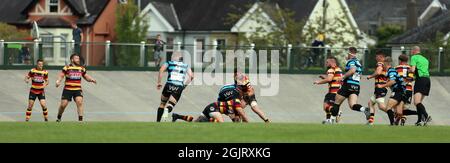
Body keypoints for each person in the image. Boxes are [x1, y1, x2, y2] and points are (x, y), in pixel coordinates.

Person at [172, 75, 250, 123]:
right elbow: (241, 114)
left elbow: (237, 116)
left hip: (212, 107)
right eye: (245, 104)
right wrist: (247, 123)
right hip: (214, 108)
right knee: (221, 124)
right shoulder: (236, 101)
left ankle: (177, 116)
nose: (245, 106)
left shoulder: (235, 101)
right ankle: (207, 121)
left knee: (195, 122)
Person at [329, 47, 370, 124]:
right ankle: (364, 109)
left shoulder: (351, 61)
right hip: (356, 86)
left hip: (348, 84)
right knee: (352, 105)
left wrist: (342, 77)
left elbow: (353, 70)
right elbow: (360, 75)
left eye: (347, 53)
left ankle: (331, 121)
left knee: (336, 102)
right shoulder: (359, 63)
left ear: (350, 53)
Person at [55, 54, 96, 122]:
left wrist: (91, 79)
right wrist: (58, 81)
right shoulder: (67, 67)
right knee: (63, 105)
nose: (78, 60)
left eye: (78, 58)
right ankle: (59, 117)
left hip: (77, 89)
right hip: (68, 89)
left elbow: (86, 76)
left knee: (79, 102)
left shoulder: (81, 68)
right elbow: (61, 76)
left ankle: (80, 120)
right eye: (76, 58)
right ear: (72, 60)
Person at [156, 51, 194, 122]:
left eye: (173, 56)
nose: (171, 57)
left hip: (169, 84)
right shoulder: (185, 65)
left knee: (162, 103)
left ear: (176, 57)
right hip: (179, 86)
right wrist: (185, 85)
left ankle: (158, 121)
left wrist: (159, 82)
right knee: (171, 104)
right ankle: (167, 110)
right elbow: (191, 76)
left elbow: (161, 70)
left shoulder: (169, 63)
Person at [376, 57, 406, 125]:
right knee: (398, 112)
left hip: (398, 91)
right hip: (402, 91)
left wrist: (382, 86)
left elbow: (392, 81)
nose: (383, 65)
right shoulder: (391, 71)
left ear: (387, 63)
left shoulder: (391, 70)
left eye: (384, 63)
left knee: (388, 107)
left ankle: (392, 123)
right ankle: (396, 122)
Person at [313, 56, 343, 124]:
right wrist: (324, 77)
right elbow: (333, 78)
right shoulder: (339, 69)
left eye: (327, 62)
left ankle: (337, 112)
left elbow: (329, 79)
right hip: (339, 91)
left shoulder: (331, 70)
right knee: (328, 106)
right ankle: (328, 120)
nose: (326, 63)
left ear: (332, 62)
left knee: (326, 106)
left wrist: (319, 82)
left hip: (333, 92)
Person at [409, 46, 432, 126]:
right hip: (427, 80)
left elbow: (412, 70)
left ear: (415, 51)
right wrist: (413, 79)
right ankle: (419, 121)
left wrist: (407, 70)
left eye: (411, 50)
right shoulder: (425, 59)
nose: (411, 51)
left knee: (416, 102)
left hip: (420, 81)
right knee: (418, 103)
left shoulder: (414, 57)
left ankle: (426, 116)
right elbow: (421, 71)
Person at [365, 51, 387, 125]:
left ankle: (393, 113)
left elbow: (378, 72)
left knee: (381, 106)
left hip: (380, 87)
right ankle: (371, 121)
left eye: (376, 56)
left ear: (381, 57)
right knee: (370, 103)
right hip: (380, 87)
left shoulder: (380, 63)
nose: (375, 58)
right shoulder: (385, 65)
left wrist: (370, 76)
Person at [395, 54, 418, 125]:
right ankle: (403, 119)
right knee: (405, 106)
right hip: (409, 89)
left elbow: (394, 79)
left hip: (399, 89)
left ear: (400, 60)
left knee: (397, 106)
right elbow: (411, 78)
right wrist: (409, 80)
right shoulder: (410, 68)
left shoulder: (396, 68)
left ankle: (397, 119)